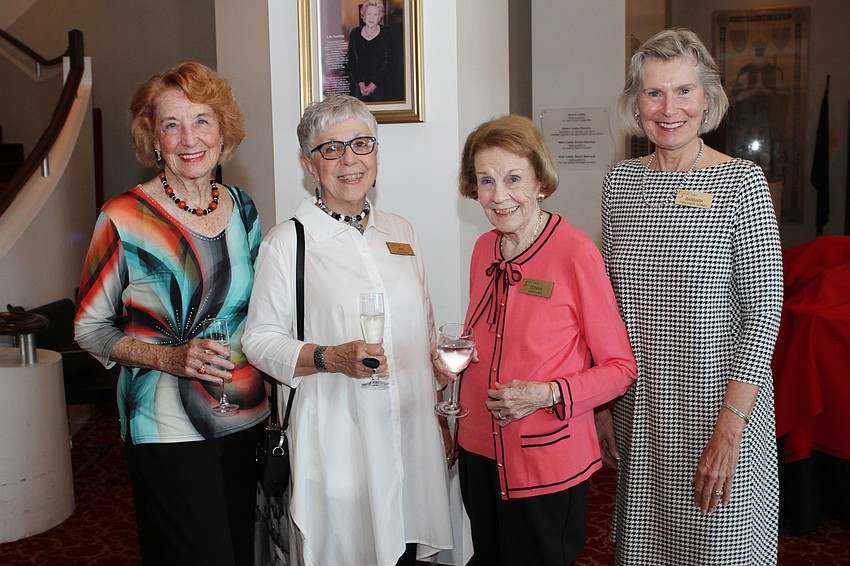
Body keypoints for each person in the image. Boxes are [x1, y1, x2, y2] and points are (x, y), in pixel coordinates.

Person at [597, 28, 784, 565]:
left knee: (717, 546)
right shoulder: (619, 184)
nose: (669, 108)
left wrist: (730, 428)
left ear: (707, 98)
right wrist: (603, 405)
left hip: (717, 410)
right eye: (654, 93)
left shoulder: (741, 183)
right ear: (636, 103)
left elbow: (764, 314)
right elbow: (607, 306)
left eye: (683, 91)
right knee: (649, 549)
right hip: (641, 411)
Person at [241, 94, 453, 566]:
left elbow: (425, 326)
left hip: (411, 433)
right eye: (331, 149)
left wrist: (440, 411)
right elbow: (258, 340)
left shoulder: (401, 232)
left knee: (409, 548)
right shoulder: (288, 242)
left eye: (361, 144)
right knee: (349, 548)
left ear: (376, 152)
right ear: (309, 166)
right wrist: (328, 357)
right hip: (338, 439)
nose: (350, 160)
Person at [74, 62, 268, 565]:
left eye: (202, 120)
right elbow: (89, 328)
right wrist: (170, 358)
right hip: (166, 426)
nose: (189, 138)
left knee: (241, 552)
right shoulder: (122, 217)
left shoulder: (243, 208)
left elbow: (258, 312)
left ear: (222, 130)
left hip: (246, 416)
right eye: (172, 125)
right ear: (154, 139)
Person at [446, 114, 637, 566]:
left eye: (513, 178)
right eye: (486, 180)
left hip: (544, 457)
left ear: (540, 181)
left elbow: (620, 368)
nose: (499, 195)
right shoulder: (484, 248)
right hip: (478, 448)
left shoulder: (575, 252)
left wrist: (548, 393)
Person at [346, 0, 401, 102]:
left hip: (382, 87)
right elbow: (352, 62)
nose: (372, 17)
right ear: (364, 15)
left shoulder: (387, 32)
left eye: (375, 14)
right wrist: (361, 85)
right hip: (360, 88)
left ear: (380, 16)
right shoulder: (355, 33)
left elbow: (391, 63)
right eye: (369, 14)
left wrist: (372, 86)